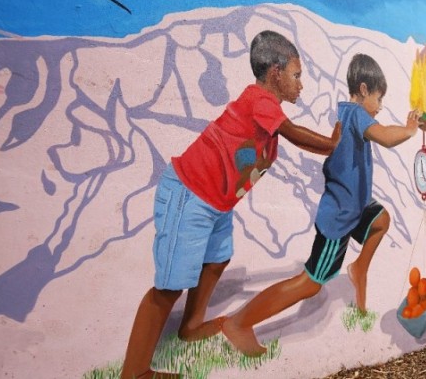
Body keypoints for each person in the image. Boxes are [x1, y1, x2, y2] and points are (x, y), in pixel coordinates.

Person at [120, 31, 341, 379]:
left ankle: (190, 327)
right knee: (168, 287)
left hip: (216, 204)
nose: (301, 85)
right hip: (190, 193)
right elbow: (295, 133)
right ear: (275, 74)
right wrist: (332, 143)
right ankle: (134, 372)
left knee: (217, 259)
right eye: (296, 76)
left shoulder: (264, 109)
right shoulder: (260, 100)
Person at [222, 53, 421, 357]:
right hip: (340, 218)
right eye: (379, 98)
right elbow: (385, 137)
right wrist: (408, 130)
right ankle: (239, 323)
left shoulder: (350, 114)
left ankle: (358, 269)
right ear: (364, 89)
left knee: (381, 220)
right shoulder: (356, 114)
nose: (380, 107)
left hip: (354, 207)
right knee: (310, 283)